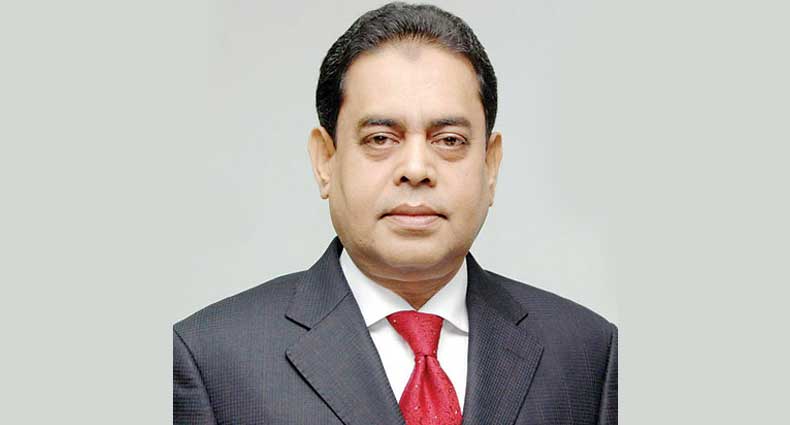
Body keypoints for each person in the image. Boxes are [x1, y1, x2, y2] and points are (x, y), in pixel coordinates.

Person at [173, 2, 617, 424]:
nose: (417, 169)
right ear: (325, 160)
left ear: (490, 165)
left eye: (449, 140)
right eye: (381, 139)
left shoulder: (586, 353)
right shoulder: (212, 360)